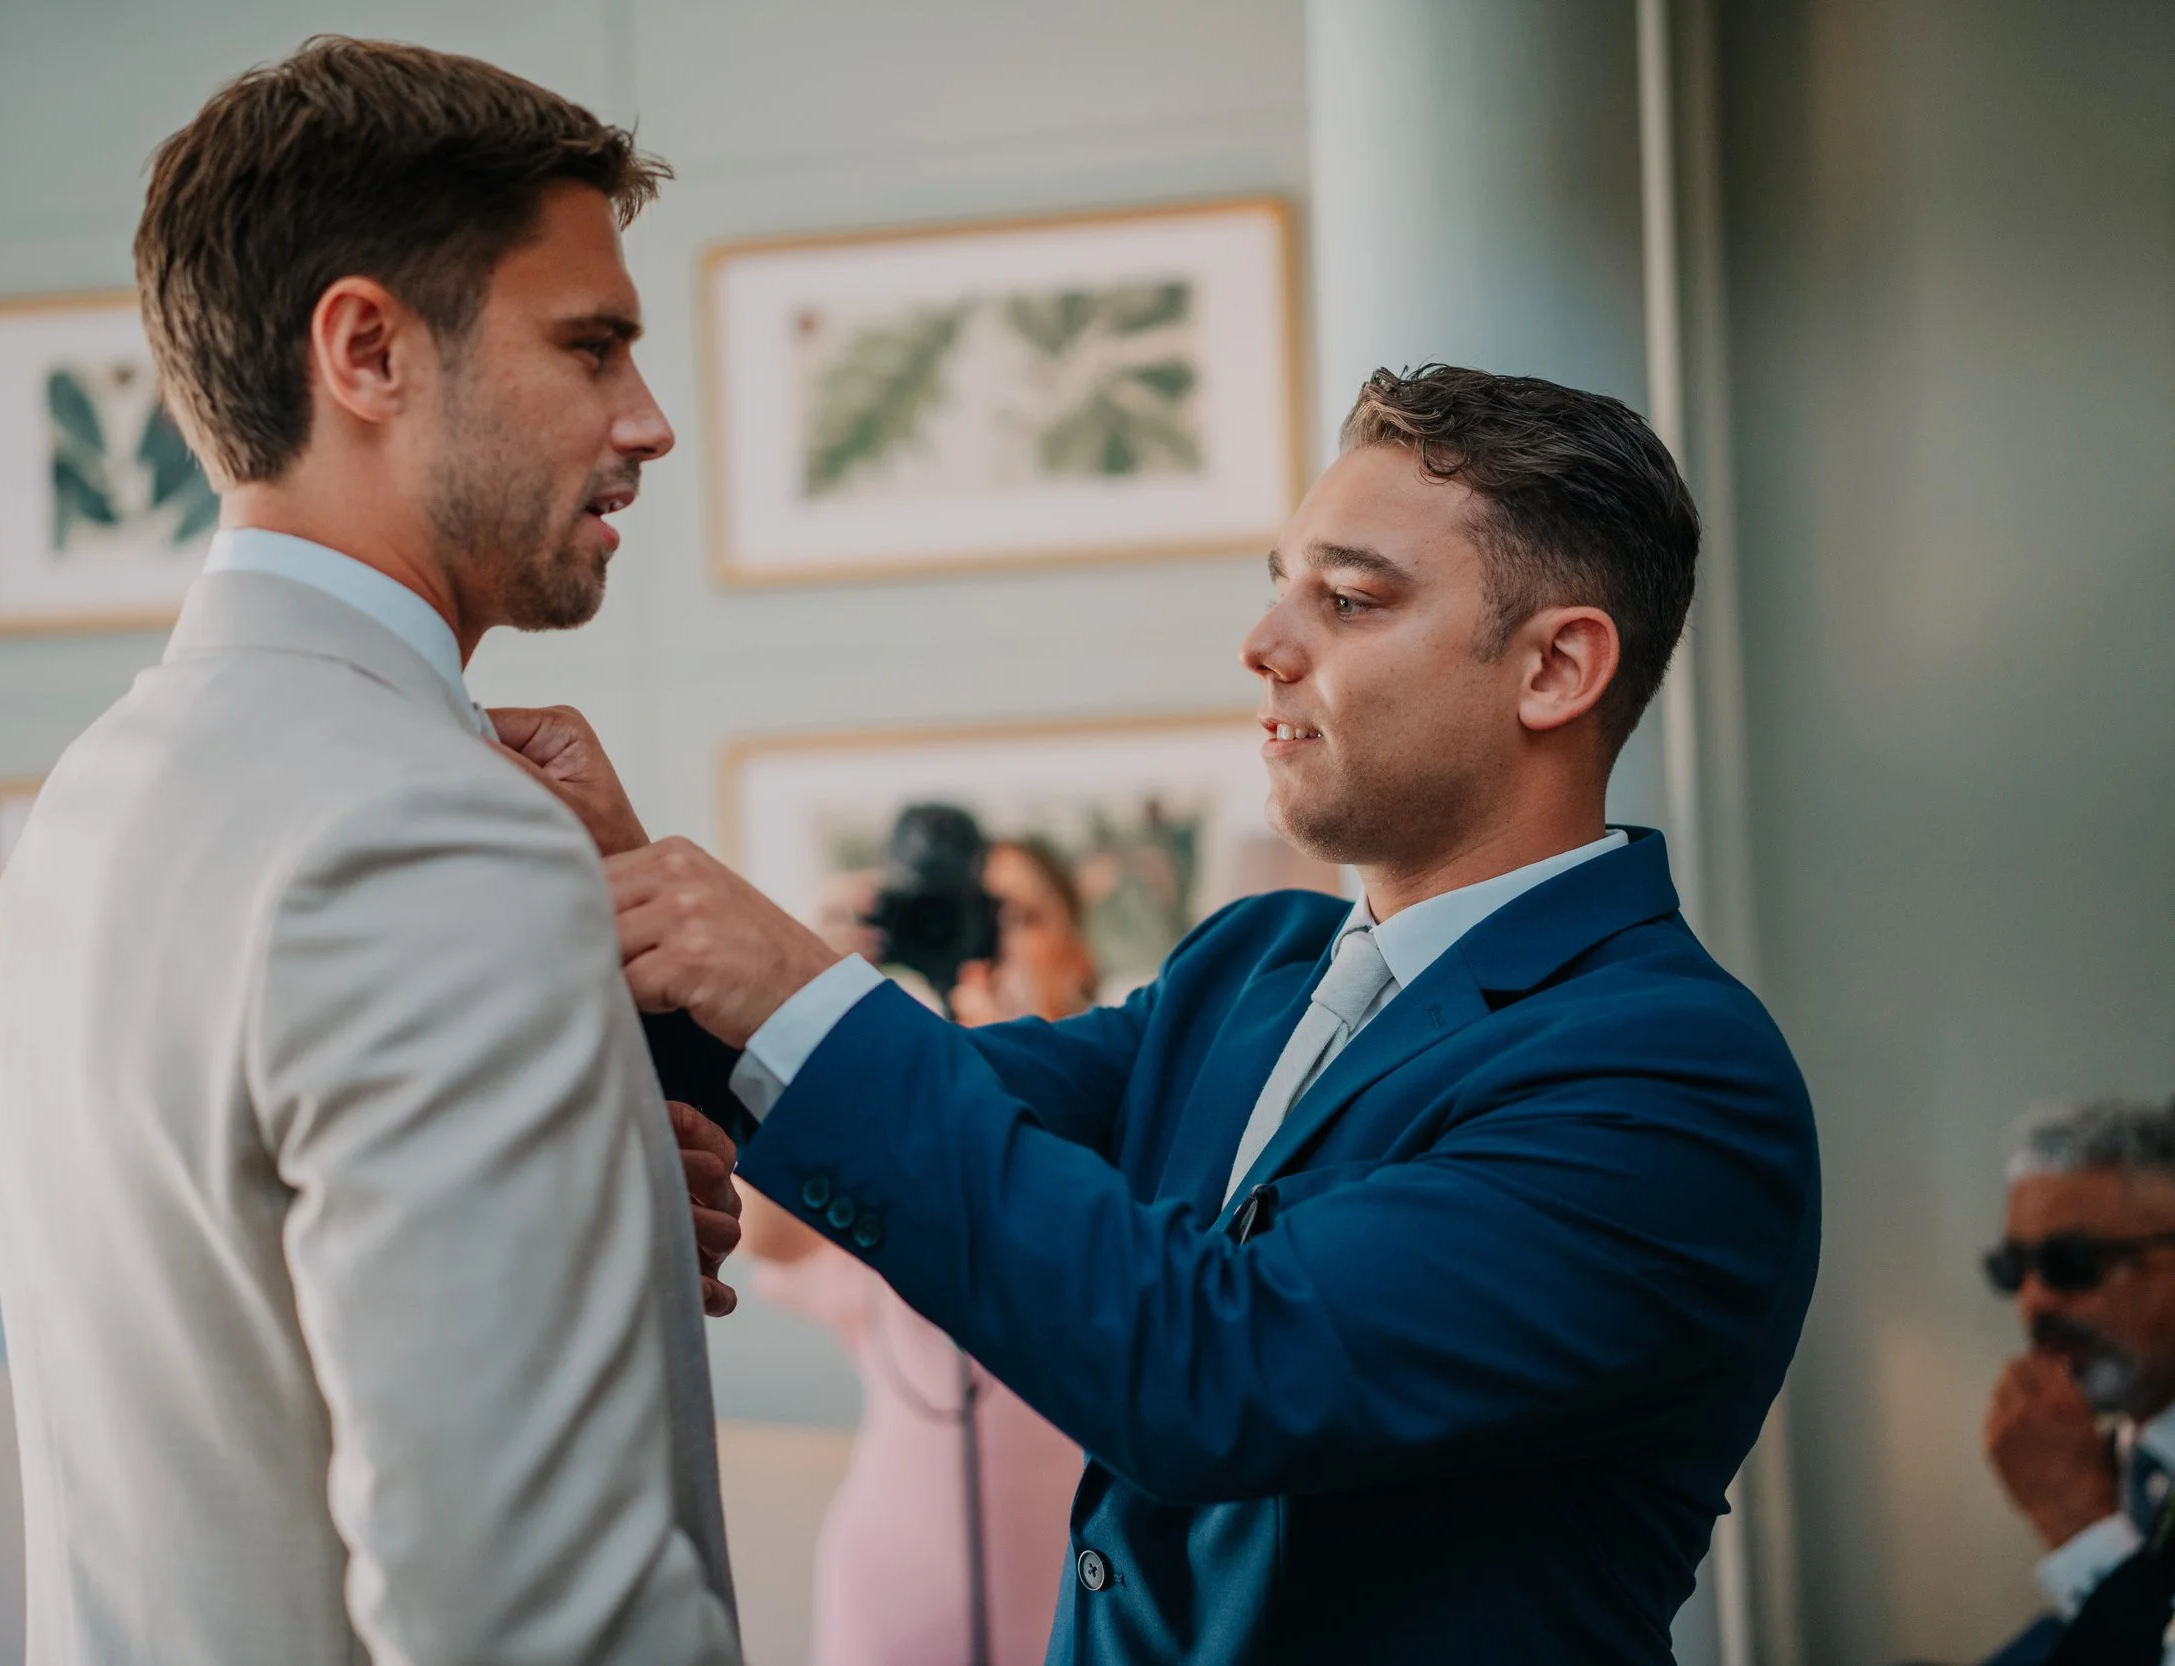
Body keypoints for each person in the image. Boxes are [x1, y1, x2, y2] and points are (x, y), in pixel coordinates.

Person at [519, 364, 1824, 1664]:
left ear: (1554, 667)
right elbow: (936, 1101)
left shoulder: (1674, 1079)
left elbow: (1221, 1369)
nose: (1263, 645)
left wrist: (785, 976)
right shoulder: (1251, 965)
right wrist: (641, 903)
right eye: (1279, 586)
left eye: (1350, 599)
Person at [0, 39, 743, 1666]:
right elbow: (534, 1623)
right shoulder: (428, 829)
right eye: (591, 346)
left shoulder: (102, 794)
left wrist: (590, 1214)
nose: (648, 421)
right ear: (369, 349)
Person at [744, 839, 1097, 1666]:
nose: (991, 940)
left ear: (1077, 944)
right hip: (898, 1588)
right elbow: (766, 1230)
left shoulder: (1151, 1113)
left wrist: (1017, 1059)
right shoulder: (900, 1124)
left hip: (1087, 1588)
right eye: (977, 913)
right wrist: (798, 995)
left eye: (1021, 915)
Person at [1977, 1096, 2175, 1666]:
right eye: (2014, 1268)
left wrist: (2079, 1523)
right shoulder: (2127, 1461)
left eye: (2073, 1261)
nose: (2034, 1302)